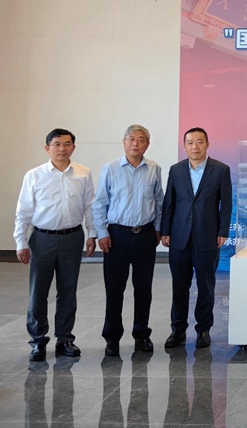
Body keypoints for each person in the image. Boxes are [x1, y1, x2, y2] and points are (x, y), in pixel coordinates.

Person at [14, 129, 96, 362]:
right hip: (42, 239)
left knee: (68, 291)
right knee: (38, 291)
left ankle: (65, 338)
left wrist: (92, 234)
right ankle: (38, 341)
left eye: (67, 144)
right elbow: (23, 211)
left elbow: (89, 206)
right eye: (57, 144)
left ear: (73, 147)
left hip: (73, 237)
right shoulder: (34, 175)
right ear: (47, 148)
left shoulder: (83, 173)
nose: (62, 148)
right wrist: (21, 241)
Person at [93, 124, 164, 357]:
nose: (136, 143)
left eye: (141, 139)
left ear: (147, 144)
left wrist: (158, 229)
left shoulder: (154, 169)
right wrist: (102, 233)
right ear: (124, 142)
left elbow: (159, 202)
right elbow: (99, 204)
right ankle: (112, 338)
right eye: (131, 139)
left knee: (143, 289)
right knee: (115, 289)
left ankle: (141, 334)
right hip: (117, 236)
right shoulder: (110, 169)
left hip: (145, 235)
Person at [160, 127, 232, 348]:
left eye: (199, 142)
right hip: (179, 237)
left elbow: (226, 204)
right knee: (179, 286)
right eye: (190, 142)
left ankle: (203, 330)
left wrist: (222, 232)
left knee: (206, 286)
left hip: (207, 237)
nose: (195, 146)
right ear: (185, 146)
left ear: (207, 144)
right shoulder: (176, 170)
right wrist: (165, 230)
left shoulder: (220, 170)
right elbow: (169, 203)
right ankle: (178, 329)